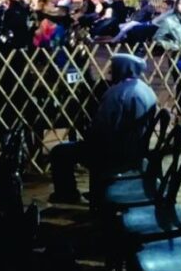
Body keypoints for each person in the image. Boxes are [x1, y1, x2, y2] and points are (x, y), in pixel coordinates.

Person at [49, 54, 157, 204]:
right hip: (138, 150)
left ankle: (67, 195)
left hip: (115, 154)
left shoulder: (116, 93)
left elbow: (101, 128)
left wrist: (87, 138)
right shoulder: (146, 90)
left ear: (122, 69)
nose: (110, 73)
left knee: (59, 152)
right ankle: (97, 192)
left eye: (113, 69)